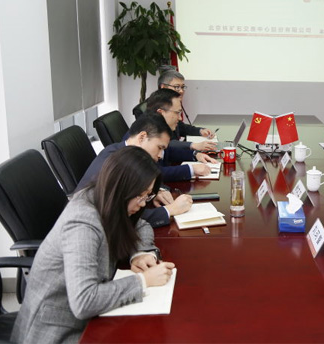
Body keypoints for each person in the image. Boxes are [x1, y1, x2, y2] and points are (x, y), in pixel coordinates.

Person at [11, 147, 176, 343]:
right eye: (140, 195)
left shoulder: (105, 197)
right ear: (121, 187)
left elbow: (141, 226)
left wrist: (140, 253)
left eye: (147, 195)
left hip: (93, 315)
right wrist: (143, 281)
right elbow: (84, 301)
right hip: (59, 329)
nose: (142, 204)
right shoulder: (83, 222)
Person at [76, 113, 194, 227]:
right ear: (142, 137)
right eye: (159, 147)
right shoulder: (116, 163)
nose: (160, 155)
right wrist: (169, 210)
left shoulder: (126, 154)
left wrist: (152, 193)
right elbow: (120, 216)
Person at [144, 89, 215, 182]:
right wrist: (191, 169)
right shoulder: (145, 135)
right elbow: (152, 173)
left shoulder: (158, 129)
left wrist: (195, 155)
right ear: (161, 113)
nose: (180, 118)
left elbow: (168, 152)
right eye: (177, 113)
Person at [156, 68, 217, 152]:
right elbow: (163, 143)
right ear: (163, 87)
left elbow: (181, 127)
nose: (181, 91)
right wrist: (193, 145)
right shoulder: (152, 109)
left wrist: (200, 131)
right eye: (177, 87)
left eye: (183, 87)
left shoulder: (172, 104)